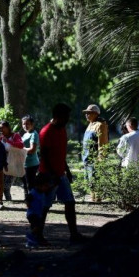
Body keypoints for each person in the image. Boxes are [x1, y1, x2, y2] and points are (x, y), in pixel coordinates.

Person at [39, 103, 87, 245]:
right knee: (45, 206)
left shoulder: (62, 129)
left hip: (60, 174)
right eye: (66, 117)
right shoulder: (46, 132)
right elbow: (45, 157)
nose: (68, 119)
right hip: (48, 176)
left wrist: (67, 170)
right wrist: (53, 176)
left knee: (70, 203)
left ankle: (74, 234)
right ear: (57, 117)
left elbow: (60, 153)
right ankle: (38, 235)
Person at [81, 104, 109, 202]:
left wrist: (100, 160)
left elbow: (103, 144)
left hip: (94, 160)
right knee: (89, 182)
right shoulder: (90, 125)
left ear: (95, 114)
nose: (86, 115)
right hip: (86, 158)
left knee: (96, 182)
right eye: (86, 113)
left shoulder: (101, 125)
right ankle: (93, 199)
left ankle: (97, 201)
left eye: (89, 113)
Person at [24, 172, 54, 248]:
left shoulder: (42, 192)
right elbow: (27, 199)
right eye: (46, 186)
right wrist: (28, 203)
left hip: (38, 214)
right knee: (38, 226)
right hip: (32, 214)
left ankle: (31, 242)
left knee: (37, 227)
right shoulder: (33, 192)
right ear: (40, 185)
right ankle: (30, 234)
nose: (47, 188)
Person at [0, 120, 24, 202]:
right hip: (2, 165)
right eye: (0, 128)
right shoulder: (0, 137)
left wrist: (8, 141)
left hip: (13, 165)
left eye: (3, 128)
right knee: (1, 186)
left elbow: (21, 145)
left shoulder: (15, 135)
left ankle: (9, 201)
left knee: (6, 186)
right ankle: (7, 201)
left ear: (8, 127)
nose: (2, 130)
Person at [20, 115, 40, 197]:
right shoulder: (25, 134)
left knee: (30, 185)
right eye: (23, 124)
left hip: (31, 164)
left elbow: (32, 150)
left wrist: (21, 149)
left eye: (27, 124)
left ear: (32, 124)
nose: (25, 126)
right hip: (24, 164)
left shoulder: (34, 134)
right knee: (26, 184)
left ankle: (33, 202)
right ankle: (28, 201)